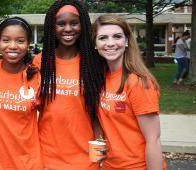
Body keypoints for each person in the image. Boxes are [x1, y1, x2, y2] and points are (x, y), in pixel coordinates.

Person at [36, 0, 105, 169]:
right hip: (47, 157)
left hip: (85, 159)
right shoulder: (40, 62)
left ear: (83, 26)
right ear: (52, 27)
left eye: (74, 23)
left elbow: (97, 113)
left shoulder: (94, 64)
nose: (68, 29)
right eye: (61, 24)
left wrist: (100, 156)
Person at [92, 14, 163, 170]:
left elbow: (154, 140)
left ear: (127, 41)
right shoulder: (100, 79)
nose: (110, 43)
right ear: (95, 44)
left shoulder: (138, 82)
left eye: (117, 36)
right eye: (103, 38)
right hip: (111, 166)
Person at [0, 17, 42, 170]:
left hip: (29, 163)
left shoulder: (36, 76)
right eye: (6, 40)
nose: (13, 46)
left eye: (20, 41)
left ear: (28, 44)